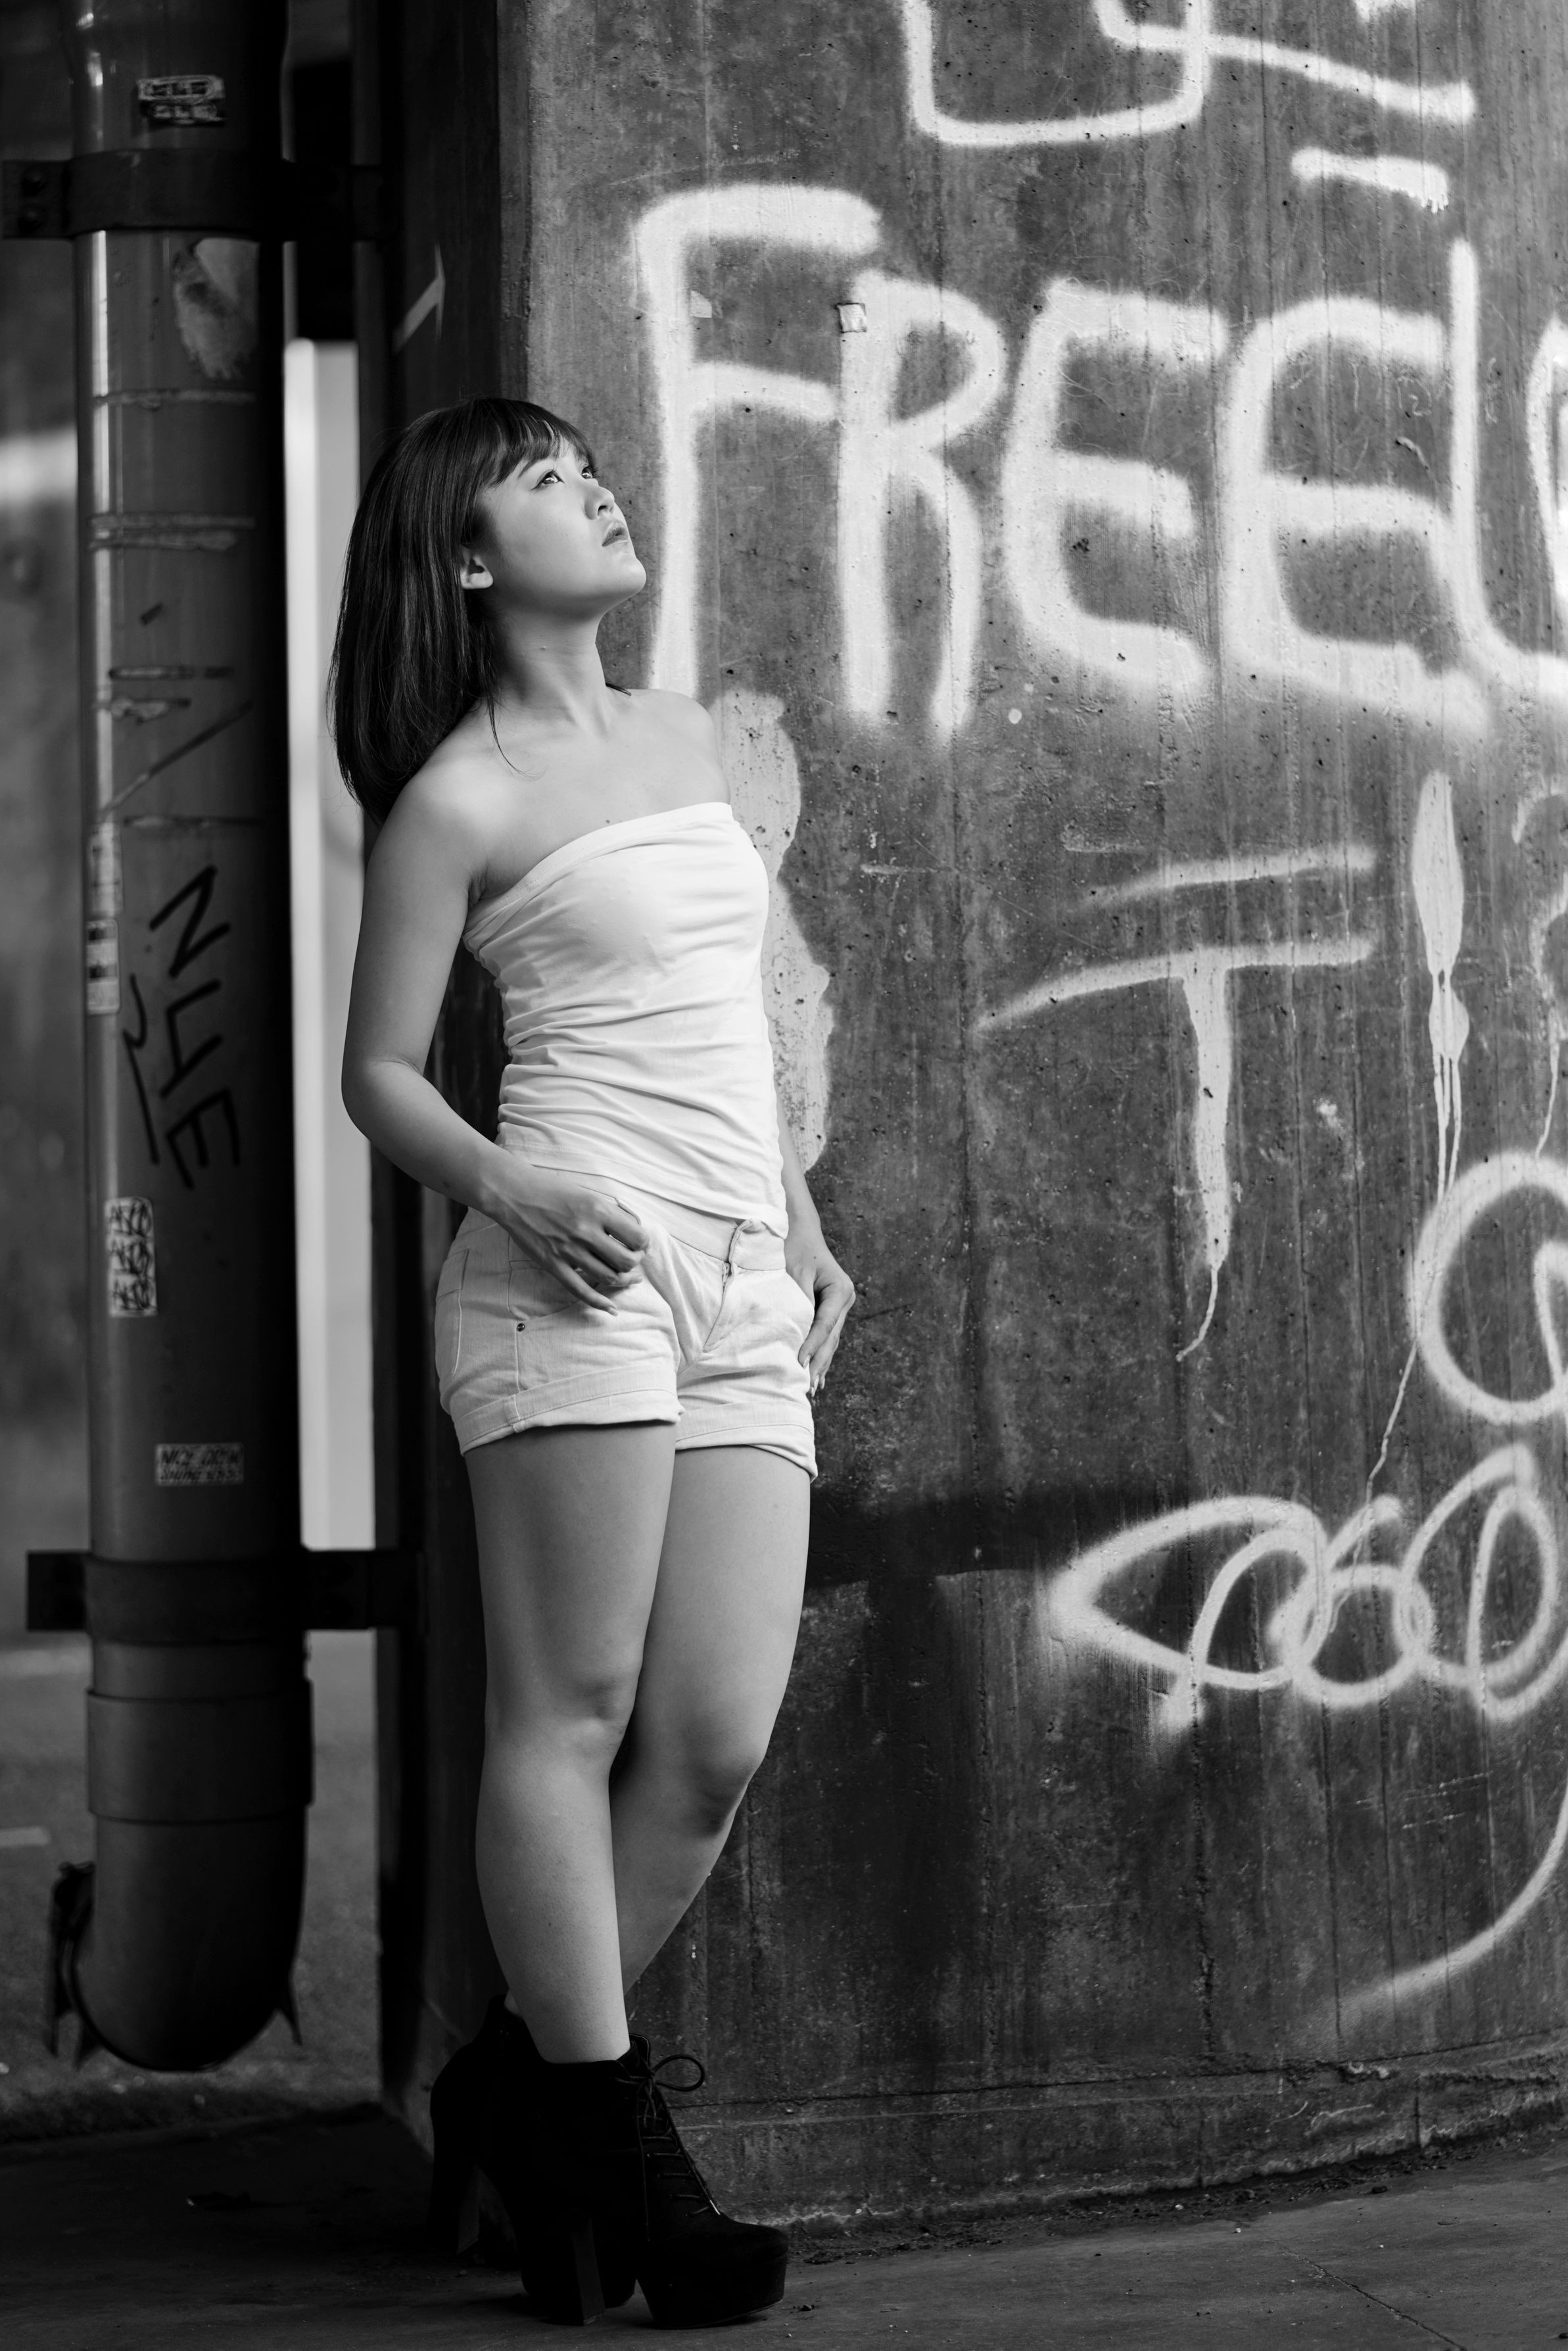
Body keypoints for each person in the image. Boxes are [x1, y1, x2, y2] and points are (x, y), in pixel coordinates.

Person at [335, 397, 855, 2325]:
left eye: (587, 464)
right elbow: (378, 1073)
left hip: (738, 1274)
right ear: (471, 561)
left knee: (707, 1742)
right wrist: (513, 1186)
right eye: (545, 482)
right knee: (568, 1712)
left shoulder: (684, 733)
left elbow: (734, 1007)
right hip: (570, 1275)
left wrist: (796, 1208)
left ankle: (515, 2094)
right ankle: (628, 2164)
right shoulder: (454, 799)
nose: (598, 488)